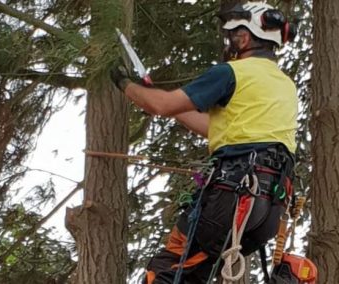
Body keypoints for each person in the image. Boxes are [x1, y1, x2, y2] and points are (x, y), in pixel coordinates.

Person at [111, 2, 298, 283]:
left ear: (245, 37)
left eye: (234, 36)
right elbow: (216, 128)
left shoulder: (232, 72)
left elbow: (159, 106)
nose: (231, 43)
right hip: (268, 210)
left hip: (231, 198)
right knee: (193, 274)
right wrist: (168, 104)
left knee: (165, 270)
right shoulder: (284, 84)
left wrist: (126, 84)